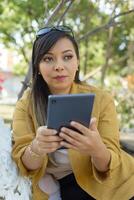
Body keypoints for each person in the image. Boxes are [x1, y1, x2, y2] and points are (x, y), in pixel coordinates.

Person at [12, 25, 134, 200]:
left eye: (67, 57)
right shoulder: (26, 104)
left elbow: (110, 162)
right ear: (37, 66)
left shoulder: (101, 99)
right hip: (68, 184)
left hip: (119, 183)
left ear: (77, 63)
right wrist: (37, 147)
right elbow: (24, 163)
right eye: (48, 59)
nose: (59, 66)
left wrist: (96, 149)